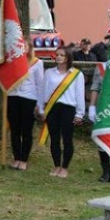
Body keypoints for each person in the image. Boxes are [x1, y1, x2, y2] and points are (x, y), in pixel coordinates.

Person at [37, 46, 85, 179]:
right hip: (52, 109)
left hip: (68, 109)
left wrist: (80, 113)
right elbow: (42, 92)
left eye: (61, 55)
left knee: (67, 139)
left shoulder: (76, 74)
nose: (58, 57)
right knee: (54, 139)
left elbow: (80, 94)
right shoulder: (49, 73)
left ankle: (65, 167)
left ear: (68, 57)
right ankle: (56, 165)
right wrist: (41, 109)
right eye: (57, 54)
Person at [6, 51, 44, 171]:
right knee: (14, 130)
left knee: (26, 131)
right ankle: (16, 158)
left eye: (24, 46)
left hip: (29, 99)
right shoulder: (12, 61)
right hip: (13, 96)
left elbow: (40, 85)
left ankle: (24, 160)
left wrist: (39, 104)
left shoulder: (37, 63)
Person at [87, 68, 110, 184]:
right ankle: (106, 172)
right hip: (104, 107)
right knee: (103, 139)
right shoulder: (101, 67)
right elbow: (95, 88)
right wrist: (92, 107)